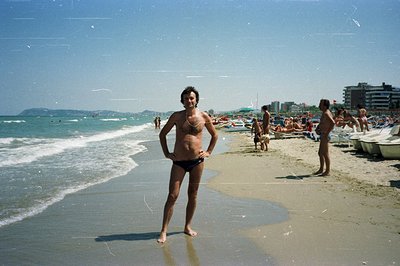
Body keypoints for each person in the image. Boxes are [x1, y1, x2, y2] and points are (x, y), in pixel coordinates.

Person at [157, 86, 218, 244]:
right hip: (179, 162)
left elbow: (215, 135)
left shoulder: (203, 116)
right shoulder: (177, 116)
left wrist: (209, 151)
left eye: (191, 98)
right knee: (172, 195)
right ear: (182, 101)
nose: (189, 100)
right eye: (186, 98)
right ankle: (164, 231)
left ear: (196, 100)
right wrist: (166, 153)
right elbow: (162, 134)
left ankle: (187, 226)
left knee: (193, 194)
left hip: (197, 161)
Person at [314, 99, 335, 176]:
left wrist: (327, 133)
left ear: (325, 105)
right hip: (322, 134)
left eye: (320, 104)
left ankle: (327, 171)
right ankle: (321, 169)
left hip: (325, 135)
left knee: (325, 153)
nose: (319, 106)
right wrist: (318, 128)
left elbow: (333, 122)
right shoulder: (324, 113)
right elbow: (322, 122)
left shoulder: (327, 113)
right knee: (320, 153)